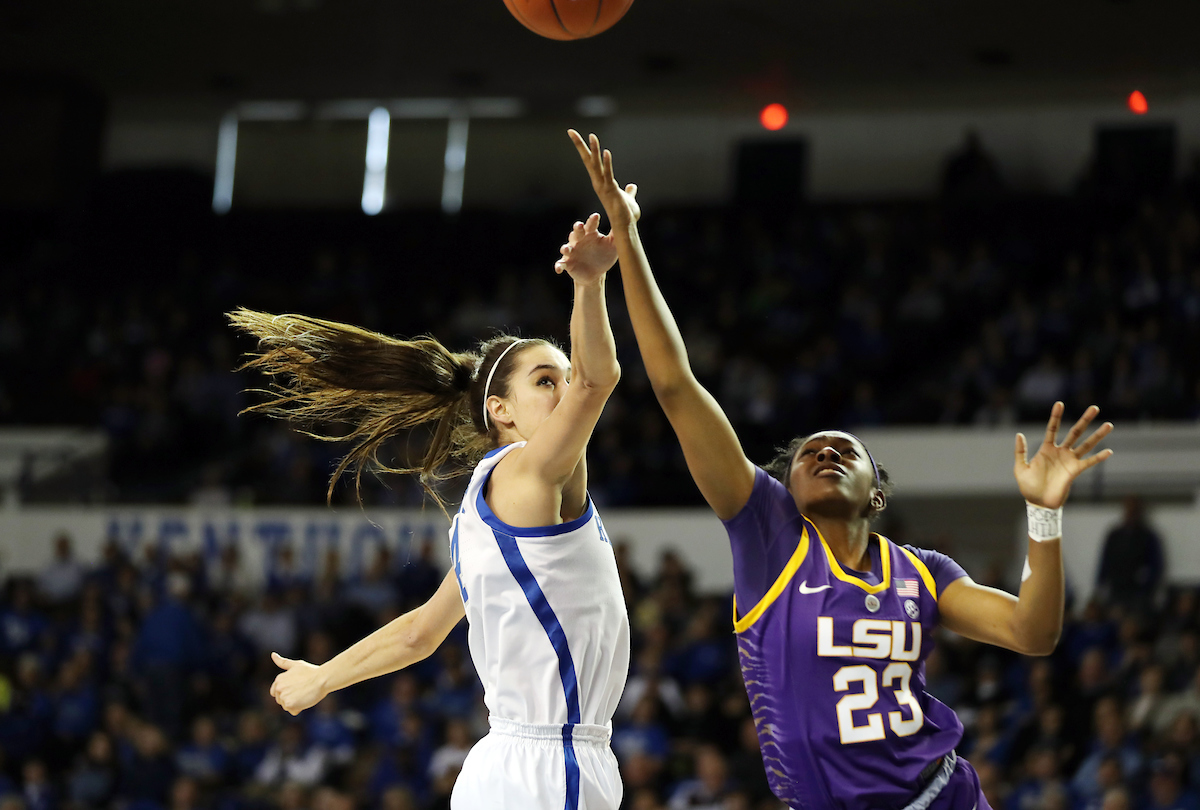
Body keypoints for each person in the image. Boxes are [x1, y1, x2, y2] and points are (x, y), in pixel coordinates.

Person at [567, 130, 1115, 810]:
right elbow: (677, 387)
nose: (824, 453)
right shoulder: (767, 534)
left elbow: (1034, 633)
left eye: (844, 450)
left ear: (875, 495)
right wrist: (628, 241)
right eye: (808, 453)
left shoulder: (924, 573)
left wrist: (1044, 512)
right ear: (786, 488)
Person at [232, 213, 629, 809]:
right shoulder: (527, 474)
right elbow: (599, 382)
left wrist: (323, 677)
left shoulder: (491, 510)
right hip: (552, 767)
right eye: (548, 380)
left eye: (565, 378)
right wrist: (590, 283)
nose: (567, 389)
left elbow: (420, 633)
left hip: (507, 766)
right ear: (502, 411)